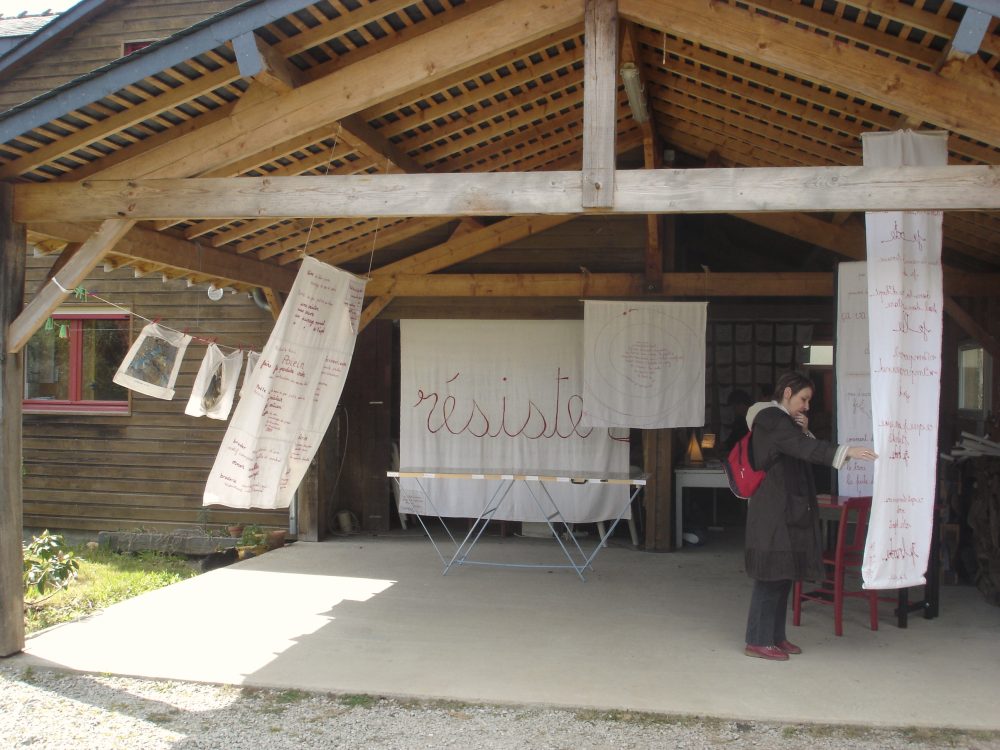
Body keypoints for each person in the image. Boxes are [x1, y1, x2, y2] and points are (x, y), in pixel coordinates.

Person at [742, 371, 877, 661]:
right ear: (787, 392)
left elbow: (800, 446)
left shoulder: (783, 423)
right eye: (803, 399)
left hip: (784, 509)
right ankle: (757, 639)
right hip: (772, 511)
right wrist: (847, 451)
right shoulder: (770, 418)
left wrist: (802, 429)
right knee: (770, 575)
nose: (806, 406)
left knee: (783, 574)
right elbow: (804, 448)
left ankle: (775, 636)